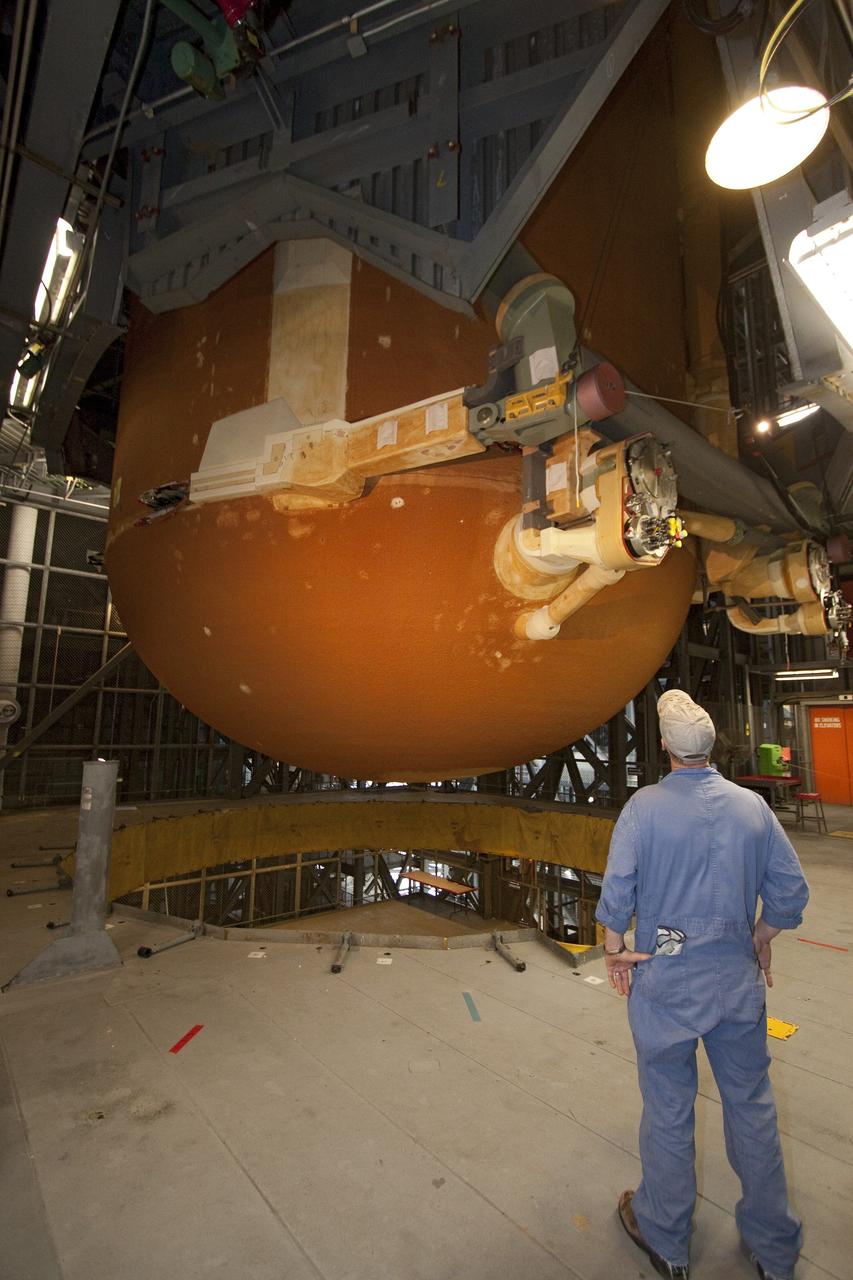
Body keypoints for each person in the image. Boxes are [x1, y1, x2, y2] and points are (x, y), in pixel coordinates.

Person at [595, 689, 809, 1280]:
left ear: (663, 745)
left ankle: (664, 1238)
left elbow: (616, 898)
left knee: (667, 1108)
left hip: (667, 968)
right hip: (736, 974)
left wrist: (616, 953)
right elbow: (791, 895)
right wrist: (760, 936)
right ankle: (774, 1248)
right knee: (752, 1107)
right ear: (714, 745)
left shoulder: (644, 808)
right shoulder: (752, 808)